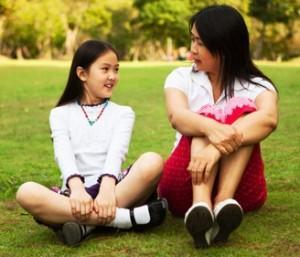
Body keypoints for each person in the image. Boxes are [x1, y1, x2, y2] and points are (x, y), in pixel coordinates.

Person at [16, 40, 167, 246]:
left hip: (114, 189)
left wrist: (106, 189)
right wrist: (77, 189)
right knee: (26, 192)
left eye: (116, 70)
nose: (112, 76)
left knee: (153, 161)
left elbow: (117, 152)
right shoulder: (60, 114)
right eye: (105, 69)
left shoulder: (123, 113)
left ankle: (83, 225)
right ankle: (126, 219)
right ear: (82, 74)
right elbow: (64, 153)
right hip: (74, 194)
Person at [158, 5, 278, 248]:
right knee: (208, 120)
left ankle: (223, 203)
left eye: (200, 42)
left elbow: (269, 118)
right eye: (192, 40)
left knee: (245, 115)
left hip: (240, 191)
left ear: (224, 45)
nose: (192, 50)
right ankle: (201, 205)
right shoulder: (181, 77)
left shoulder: (257, 85)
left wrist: (215, 148)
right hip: (187, 181)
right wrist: (208, 126)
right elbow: (177, 115)